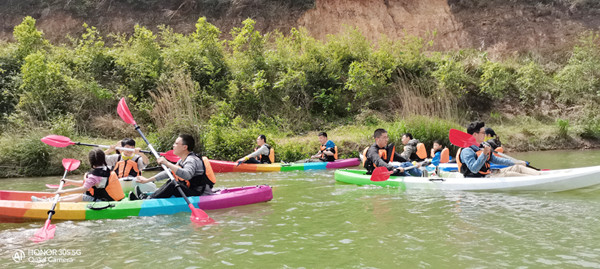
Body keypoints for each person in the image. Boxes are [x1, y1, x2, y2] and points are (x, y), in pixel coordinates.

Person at [134, 134, 216, 199]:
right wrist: (147, 180)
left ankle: (148, 199)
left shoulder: (191, 160)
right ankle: (149, 197)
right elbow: (169, 173)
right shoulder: (182, 160)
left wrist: (167, 163)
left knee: (174, 184)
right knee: (171, 180)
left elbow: (187, 175)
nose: (173, 145)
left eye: (176, 144)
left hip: (199, 194)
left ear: (185, 147)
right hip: (190, 190)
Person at [32, 148, 124, 202]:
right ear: (103, 159)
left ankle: (49, 202)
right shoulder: (106, 168)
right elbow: (87, 184)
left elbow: (84, 188)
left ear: (91, 161)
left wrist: (63, 191)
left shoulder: (94, 175)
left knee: (81, 195)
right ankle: (51, 200)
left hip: (105, 201)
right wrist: (70, 182)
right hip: (111, 197)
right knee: (76, 194)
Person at [458, 122, 540, 178]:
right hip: (480, 178)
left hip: (490, 174)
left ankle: (540, 175)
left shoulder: (482, 146)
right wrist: (484, 154)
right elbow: (474, 169)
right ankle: (538, 181)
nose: (485, 134)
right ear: (475, 134)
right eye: (483, 133)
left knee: (518, 167)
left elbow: (495, 159)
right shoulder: (467, 150)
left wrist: (515, 162)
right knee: (510, 174)